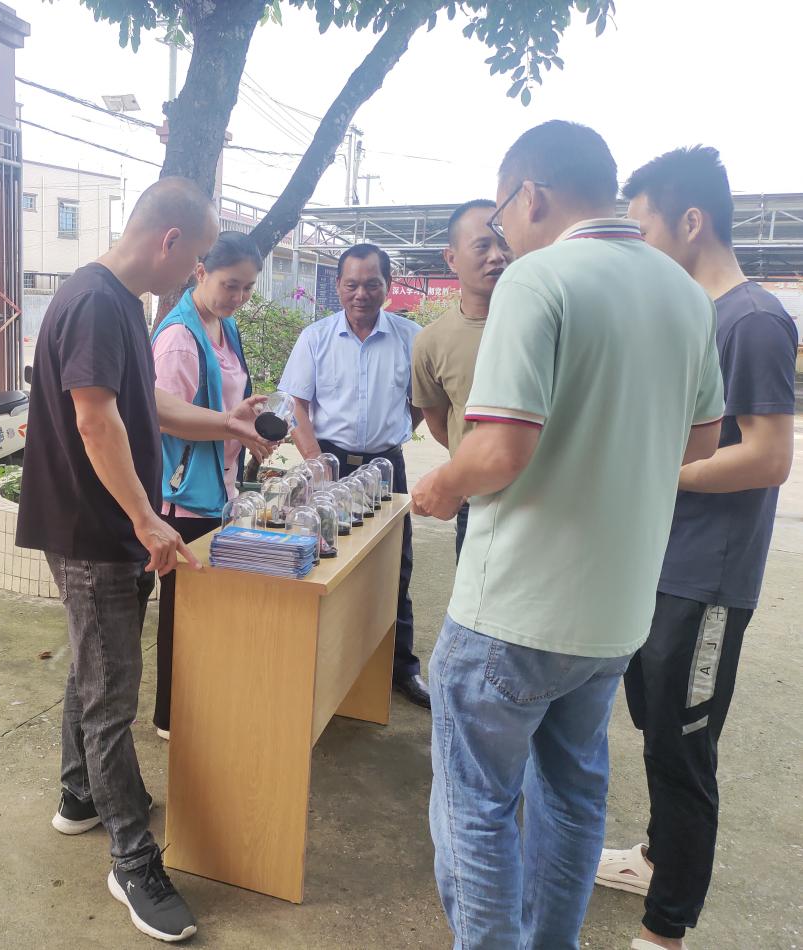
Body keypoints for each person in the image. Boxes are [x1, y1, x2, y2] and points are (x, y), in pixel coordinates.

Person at [411, 120, 724, 949]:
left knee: (476, 804)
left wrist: (440, 485)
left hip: (513, 610)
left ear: (532, 195)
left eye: (501, 216)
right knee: (573, 794)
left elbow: (499, 449)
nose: (502, 238)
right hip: (612, 617)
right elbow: (698, 442)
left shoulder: (539, 278)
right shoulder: (684, 295)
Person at [15, 177, 271, 944]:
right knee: (111, 698)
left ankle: (79, 797)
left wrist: (226, 425)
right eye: (196, 257)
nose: (194, 272)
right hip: (92, 531)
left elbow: (145, 405)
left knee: (94, 669)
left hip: (106, 529)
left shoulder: (121, 303)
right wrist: (145, 518)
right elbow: (95, 422)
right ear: (170, 242)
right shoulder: (97, 302)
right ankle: (132, 861)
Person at [597, 147, 796, 950]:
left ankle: (664, 929)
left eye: (641, 227)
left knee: (683, 750)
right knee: (656, 730)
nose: (636, 246)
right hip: (656, 563)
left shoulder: (751, 320)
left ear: (689, 221)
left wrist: (651, 470)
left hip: (705, 580)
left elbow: (769, 456)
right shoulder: (691, 315)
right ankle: (654, 857)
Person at [278, 243, 429, 709]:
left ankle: (401, 667)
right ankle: (321, 666)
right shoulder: (316, 337)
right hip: (330, 462)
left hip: (386, 465)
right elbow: (295, 405)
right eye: (352, 284)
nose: (361, 294)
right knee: (323, 561)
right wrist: (316, 462)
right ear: (338, 286)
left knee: (394, 565)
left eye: (371, 284)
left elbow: (422, 401)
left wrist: (396, 433)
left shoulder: (411, 337)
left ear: (388, 285)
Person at [150, 231, 261, 741]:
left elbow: (227, 405)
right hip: (183, 495)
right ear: (201, 273)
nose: (238, 296)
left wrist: (246, 424)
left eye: (247, 288)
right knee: (182, 612)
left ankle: (199, 705)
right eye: (229, 284)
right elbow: (166, 417)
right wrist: (229, 425)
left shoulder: (224, 326)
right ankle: (171, 718)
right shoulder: (179, 337)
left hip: (219, 487)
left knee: (205, 610)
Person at [411, 199, 512, 558]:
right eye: (482, 246)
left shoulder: (549, 322)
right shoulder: (431, 342)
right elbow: (441, 423)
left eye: (504, 244)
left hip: (545, 504)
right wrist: (472, 467)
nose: (497, 256)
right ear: (451, 258)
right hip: (477, 503)